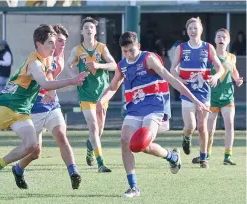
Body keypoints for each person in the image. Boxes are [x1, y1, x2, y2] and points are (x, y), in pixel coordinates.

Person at [0, 24, 89, 193]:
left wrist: (56, 89)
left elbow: (48, 83)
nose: (54, 46)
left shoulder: (47, 59)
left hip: (22, 111)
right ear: (38, 44)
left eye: (55, 42)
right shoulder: (34, 62)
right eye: (50, 42)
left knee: (32, 145)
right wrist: (72, 81)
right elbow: (45, 83)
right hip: (6, 107)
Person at [96, 31, 210, 198]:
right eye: (125, 51)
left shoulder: (149, 59)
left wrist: (195, 100)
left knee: (141, 143)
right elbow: (113, 87)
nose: (128, 54)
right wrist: (101, 101)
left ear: (138, 46)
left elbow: (171, 78)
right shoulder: (122, 65)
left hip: (155, 107)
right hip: (135, 108)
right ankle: (134, 186)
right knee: (125, 142)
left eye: (131, 50)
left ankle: (171, 156)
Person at [12, 24, 81, 190]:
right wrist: (52, 89)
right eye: (59, 41)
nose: (62, 45)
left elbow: (51, 80)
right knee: (35, 152)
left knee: (61, 135)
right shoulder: (42, 57)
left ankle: (74, 172)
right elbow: (46, 79)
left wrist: (52, 92)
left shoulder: (60, 57)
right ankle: (17, 168)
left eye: (64, 42)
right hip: (35, 105)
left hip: (51, 104)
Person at [170, 17, 224, 168]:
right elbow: (173, 69)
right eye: (190, 28)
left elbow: (220, 68)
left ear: (201, 30)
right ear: (187, 31)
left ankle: (203, 158)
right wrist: (179, 78)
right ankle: (186, 137)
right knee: (190, 126)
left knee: (202, 126)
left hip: (203, 92)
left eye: (196, 28)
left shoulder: (208, 48)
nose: (193, 31)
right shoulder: (181, 48)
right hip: (187, 92)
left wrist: (215, 76)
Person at [65, 17, 116, 172]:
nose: (88, 30)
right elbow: (68, 65)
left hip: (102, 93)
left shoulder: (102, 48)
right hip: (85, 94)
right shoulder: (77, 50)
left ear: (95, 31)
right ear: (82, 31)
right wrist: (76, 77)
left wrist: (98, 65)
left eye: (91, 27)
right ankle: (101, 163)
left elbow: (114, 65)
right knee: (93, 125)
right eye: (86, 27)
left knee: (99, 131)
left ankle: (90, 146)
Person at [192, 28, 243, 165]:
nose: (221, 39)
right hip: (211, 98)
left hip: (227, 97)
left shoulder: (232, 57)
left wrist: (238, 80)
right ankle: (205, 155)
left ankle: (227, 157)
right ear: (214, 40)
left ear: (228, 41)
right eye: (218, 37)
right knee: (209, 130)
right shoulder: (209, 57)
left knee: (230, 125)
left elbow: (234, 72)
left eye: (223, 37)